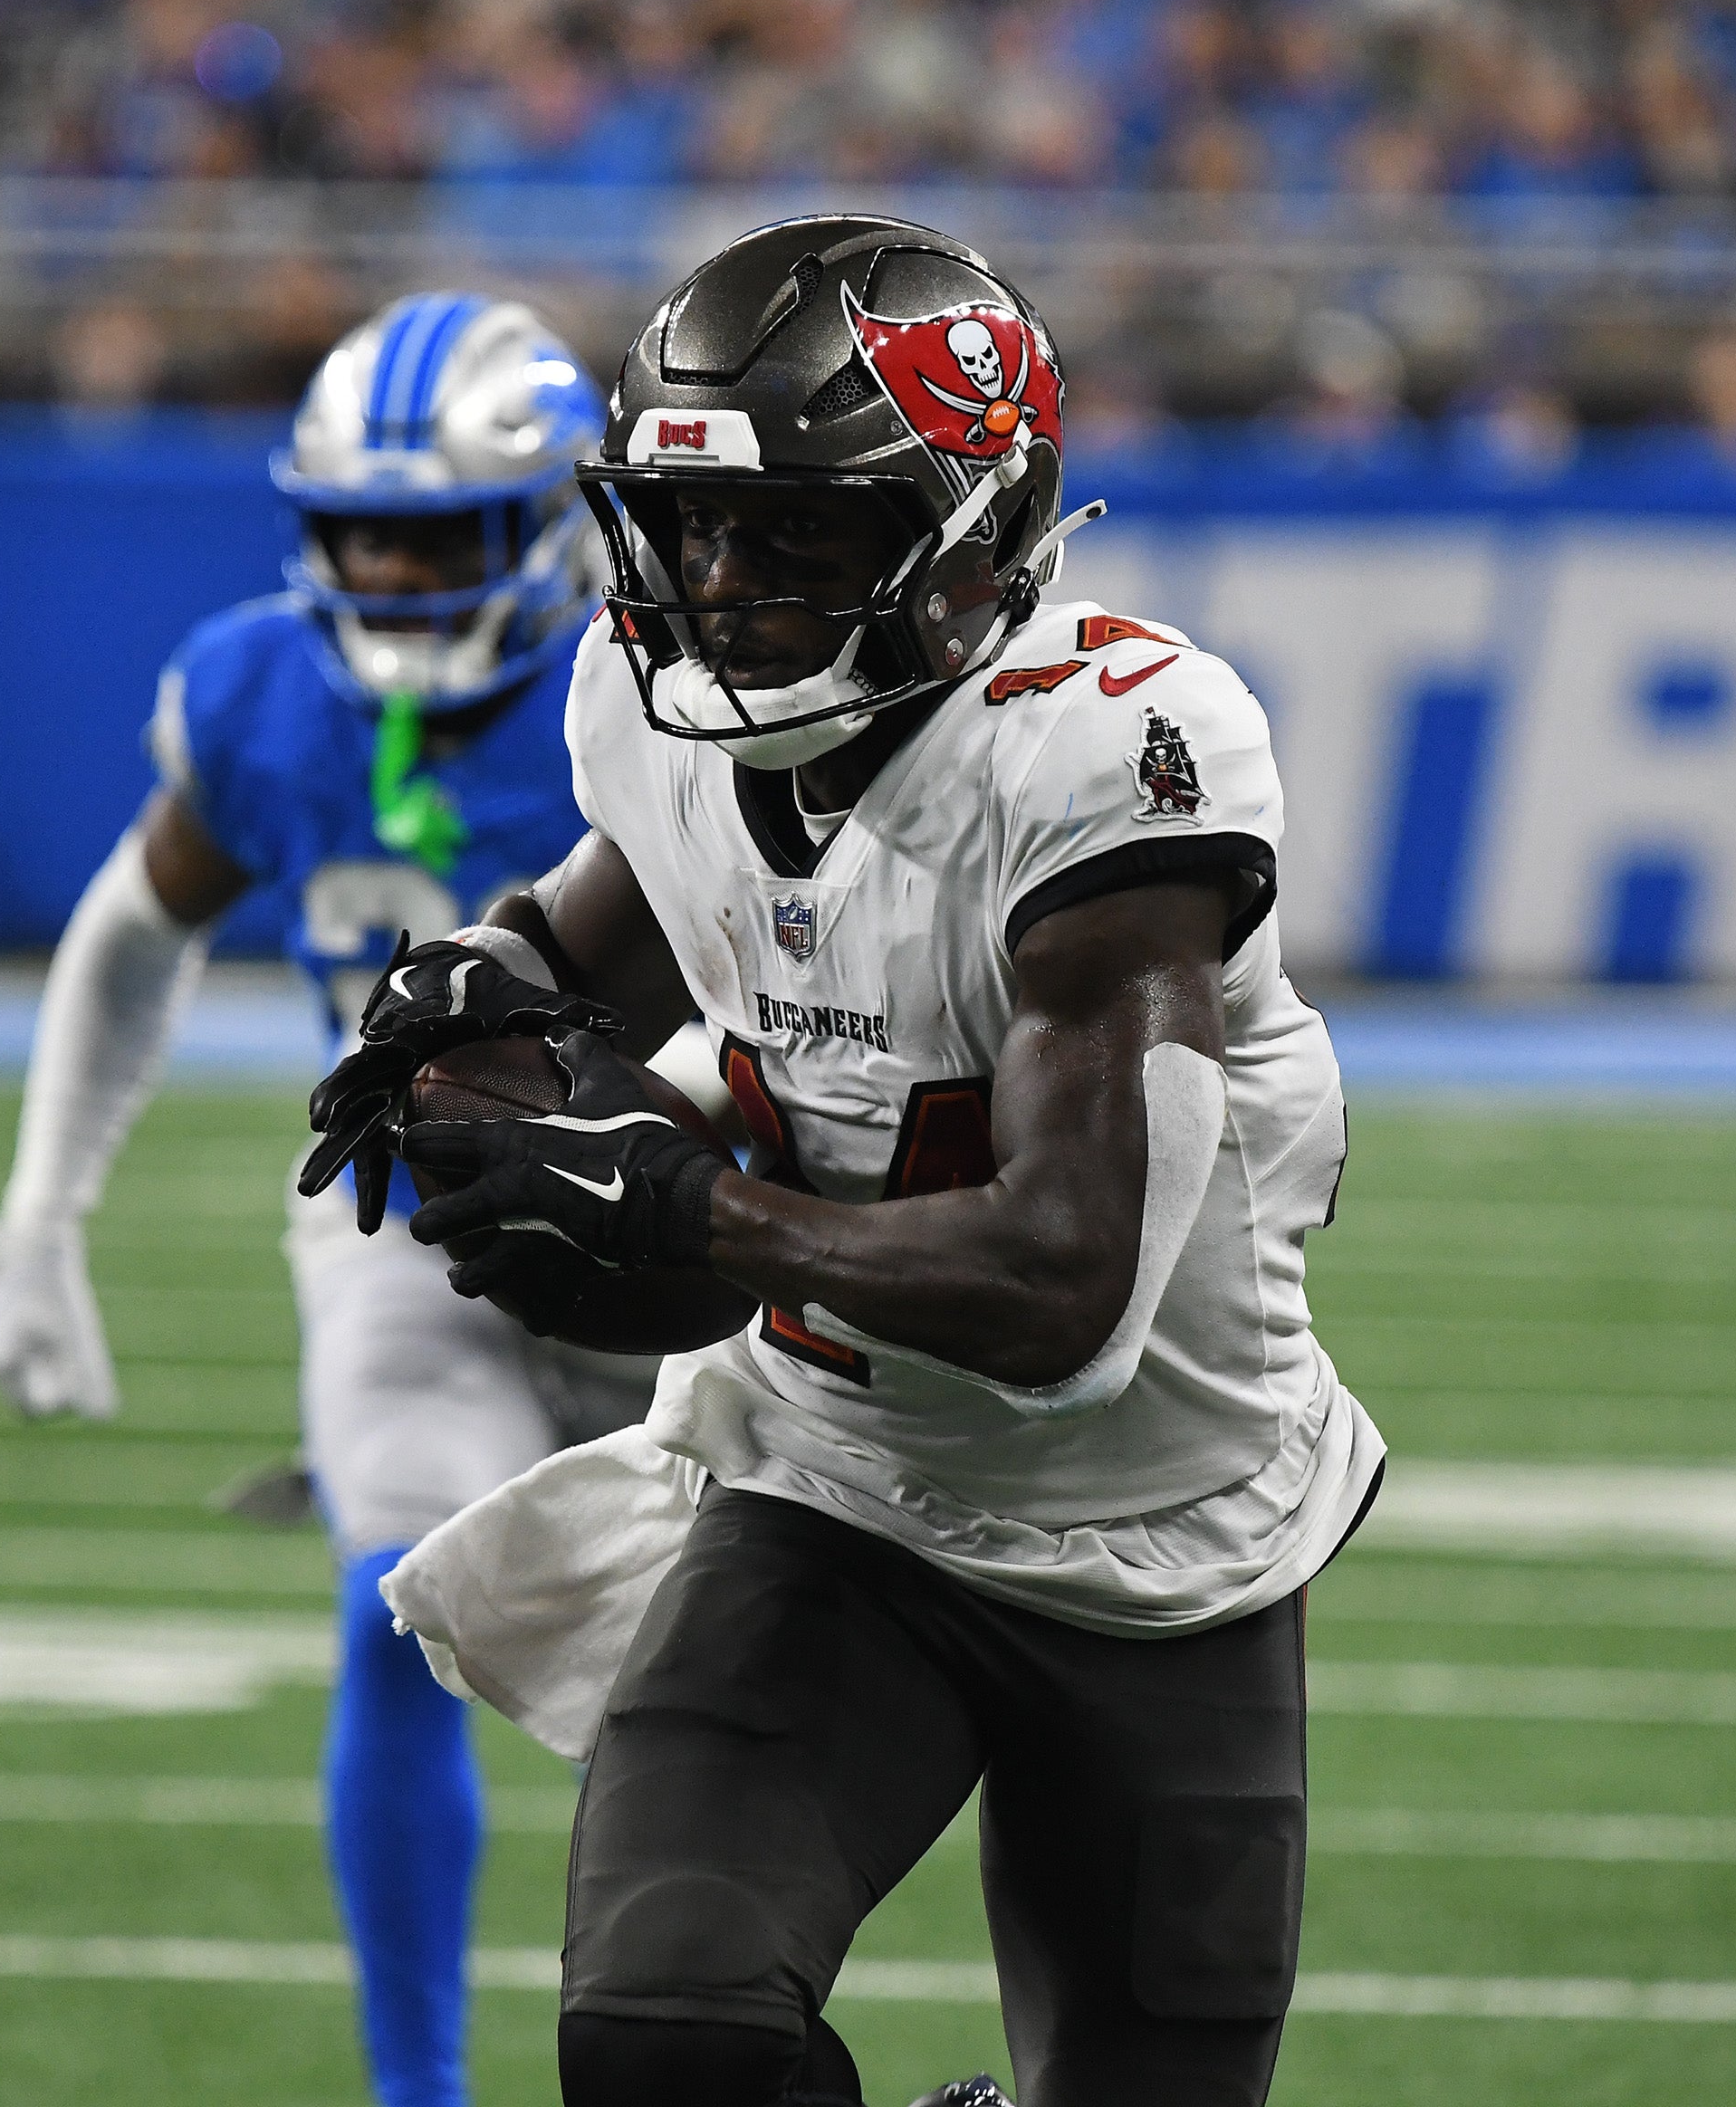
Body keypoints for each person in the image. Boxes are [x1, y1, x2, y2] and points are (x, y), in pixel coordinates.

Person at [303, 217, 1386, 2107]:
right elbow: (622, 907)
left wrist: (698, 1214)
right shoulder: (649, 713)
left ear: (967, 542)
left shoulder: (1107, 752)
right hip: (836, 1494)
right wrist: (480, 985)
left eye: (799, 535)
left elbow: (1065, 1291)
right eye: (693, 530)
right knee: (662, 2040)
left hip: (1164, 1543)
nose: (724, 590)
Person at [0, 292, 650, 2107]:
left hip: (694, 1207)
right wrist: (43, 1209)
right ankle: (419, 2096)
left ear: (552, 524)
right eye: (365, 534)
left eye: (441, 534)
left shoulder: (664, 688)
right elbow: (134, 924)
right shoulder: (263, 687)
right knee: (405, 1600)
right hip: (412, 1216)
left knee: (739, 1678)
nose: (398, 573)